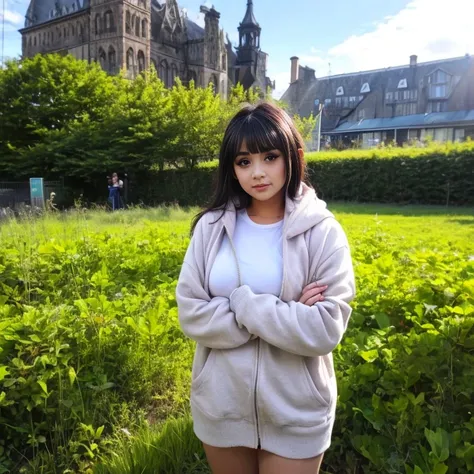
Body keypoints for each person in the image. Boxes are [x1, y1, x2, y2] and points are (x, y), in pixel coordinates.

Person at [175, 102, 356, 474]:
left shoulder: (323, 231)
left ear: (293, 156)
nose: (257, 172)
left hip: (297, 412)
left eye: (270, 156)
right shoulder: (211, 228)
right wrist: (282, 309)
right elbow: (191, 312)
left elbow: (324, 328)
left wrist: (240, 303)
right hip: (220, 405)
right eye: (243, 162)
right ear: (231, 168)